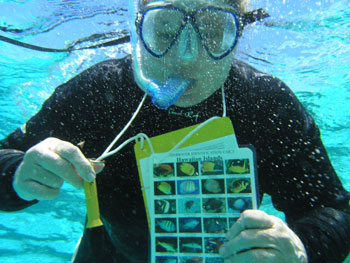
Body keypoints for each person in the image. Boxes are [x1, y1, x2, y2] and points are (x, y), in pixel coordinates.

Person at [0, 0, 349, 262]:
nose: (187, 57)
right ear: (138, 30)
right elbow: (5, 156)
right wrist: (19, 174)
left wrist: (302, 249)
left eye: (213, 33)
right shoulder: (97, 94)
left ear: (238, 34)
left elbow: (336, 212)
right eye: (164, 31)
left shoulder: (265, 103)